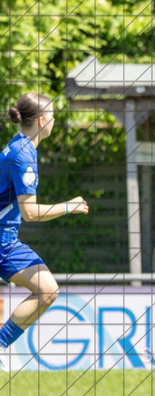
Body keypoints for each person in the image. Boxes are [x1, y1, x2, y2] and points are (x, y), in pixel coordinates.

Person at [0, 93, 89, 370]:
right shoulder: (23, 154)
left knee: (47, 290)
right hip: (2, 241)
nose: (54, 121)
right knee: (47, 291)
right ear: (41, 121)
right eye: (52, 116)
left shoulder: (18, 145)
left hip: (6, 239)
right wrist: (69, 206)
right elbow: (30, 212)